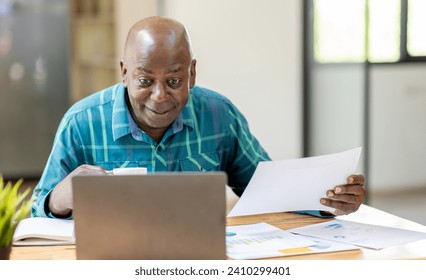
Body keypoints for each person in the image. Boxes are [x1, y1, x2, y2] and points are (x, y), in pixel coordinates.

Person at [31, 16, 365, 219]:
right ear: (124, 73)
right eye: (145, 81)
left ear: (192, 73)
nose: (160, 96)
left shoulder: (219, 114)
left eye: (174, 81)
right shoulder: (82, 122)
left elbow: (266, 190)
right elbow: (37, 211)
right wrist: (61, 198)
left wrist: (328, 201)